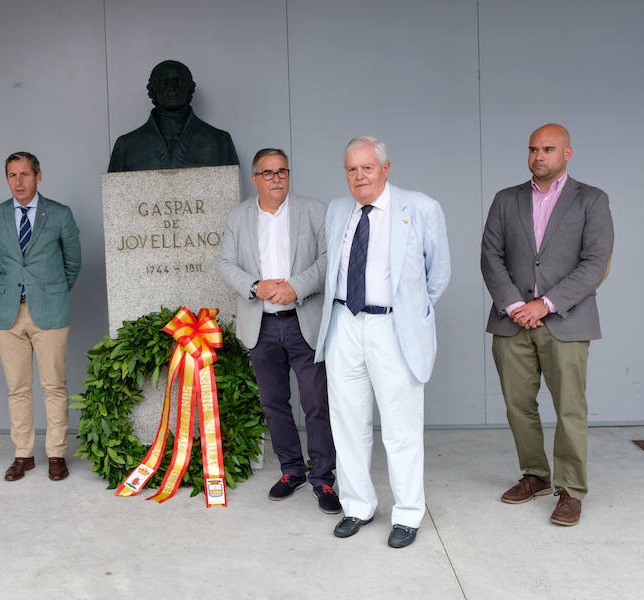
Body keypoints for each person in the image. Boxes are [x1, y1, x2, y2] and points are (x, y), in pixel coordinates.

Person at [315, 137, 450, 548]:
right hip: (343, 322)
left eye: (367, 167)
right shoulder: (338, 209)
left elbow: (438, 273)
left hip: (392, 326)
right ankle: (357, 506)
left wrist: (409, 314)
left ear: (385, 168)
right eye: (351, 169)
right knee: (348, 422)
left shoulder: (420, 207)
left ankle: (408, 513)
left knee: (400, 426)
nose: (359, 176)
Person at [481, 123, 613, 526]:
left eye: (549, 149)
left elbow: (596, 264)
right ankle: (535, 476)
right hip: (512, 321)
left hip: (566, 322)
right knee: (519, 406)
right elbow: (490, 256)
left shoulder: (591, 199)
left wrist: (545, 304)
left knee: (570, 409)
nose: (539, 156)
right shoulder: (506, 199)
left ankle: (571, 491)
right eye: (533, 149)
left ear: (567, 153)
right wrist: (517, 304)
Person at [218, 148, 339, 514]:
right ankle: (291, 471)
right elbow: (224, 263)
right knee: (273, 403)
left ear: (289, 175)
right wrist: (255, 286)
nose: (276, 178)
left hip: (305, 322)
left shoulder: (315, 211)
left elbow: (328, 259)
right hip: (262, 325)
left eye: (282, 171)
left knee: (317, 403)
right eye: (268, 173)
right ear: (255, 179)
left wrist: (296, 286)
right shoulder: (239, 217)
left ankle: (323, 477)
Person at [0, 152, 81, 482]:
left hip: (50, 312)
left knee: (54, 385)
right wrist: (15, 290)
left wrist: (50, 292)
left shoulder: (60, 214)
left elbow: (73, 263)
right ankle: (23, 455)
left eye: (24, 174)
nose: (18, 181)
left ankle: (56, 453)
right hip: (8, 313)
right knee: (17, 388)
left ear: (38, 176)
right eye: (12, 175)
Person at [107, 60, 239, 172]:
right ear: (152, 90)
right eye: (164, 82)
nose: (172, 88)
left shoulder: (220, 142)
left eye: (179, 81)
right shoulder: (126, 146)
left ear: (190, 88)